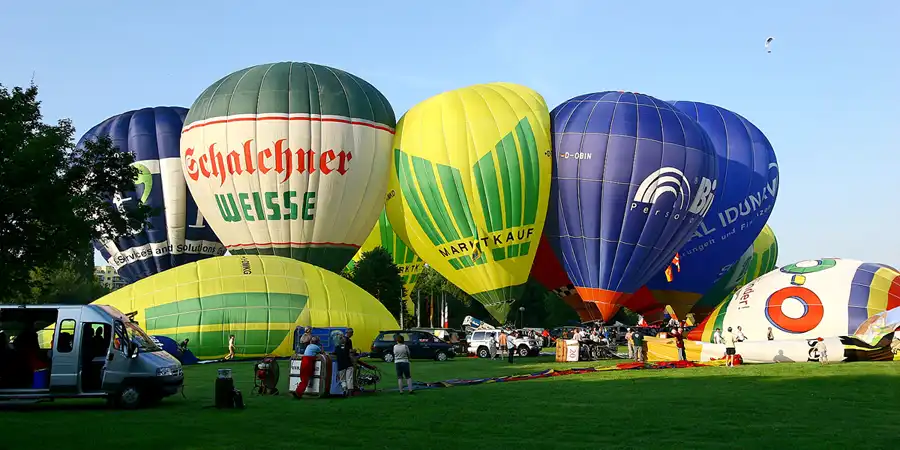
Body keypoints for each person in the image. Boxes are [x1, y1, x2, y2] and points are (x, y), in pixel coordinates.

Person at [336, 328, 356, 396]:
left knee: (342, 379)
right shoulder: (348, 344)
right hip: (348, 364)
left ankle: (344, 390)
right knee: (349, 378)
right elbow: (351, 352)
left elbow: (333, 353)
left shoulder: (337, 348)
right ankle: (350, 392)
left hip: (341, 365)